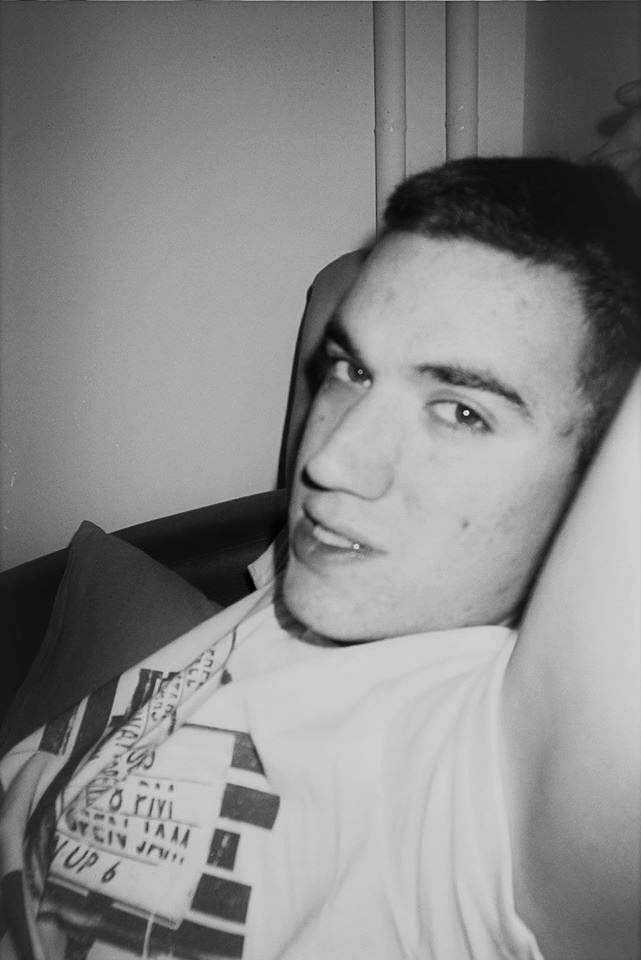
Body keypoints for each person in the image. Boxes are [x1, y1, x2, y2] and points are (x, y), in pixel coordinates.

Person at [0, 154, 639, 960]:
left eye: (460, 412)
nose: (329, 462)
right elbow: (341, 284)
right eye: (351, 371)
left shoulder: (509, 779)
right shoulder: (326, 572)